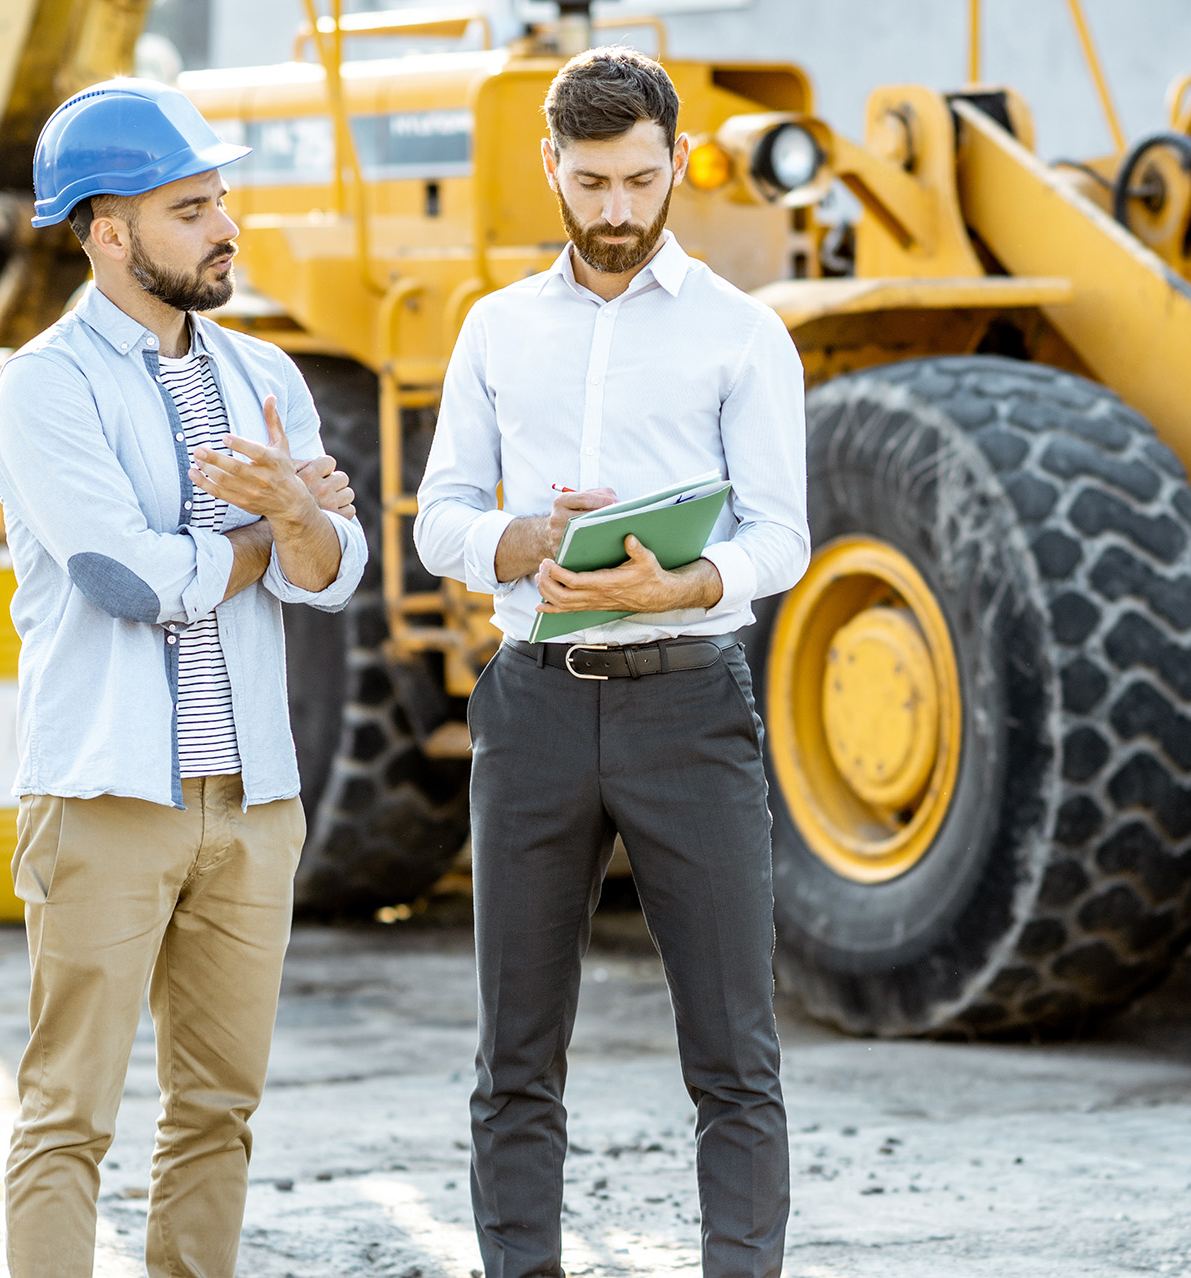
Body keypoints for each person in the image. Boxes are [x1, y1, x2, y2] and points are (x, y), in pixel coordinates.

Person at [414, 46, 810, 1278]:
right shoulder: (493, 330)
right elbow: (438, 522)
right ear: (552, 169)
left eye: (642, 179)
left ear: (679, 162)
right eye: (592, 183)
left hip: (690, 704)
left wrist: (678, 583)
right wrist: (523, 539)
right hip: (529, 707)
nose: (620, 211)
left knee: (735, 1056)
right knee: (514, 1054)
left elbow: (782, 538)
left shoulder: (745, 337)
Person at [0, 79, 367, 1278]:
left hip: (251, 801)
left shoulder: (265, 373)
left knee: (219, 1112)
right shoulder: (48, 384)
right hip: (106, 797)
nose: (226, 227)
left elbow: (336, 573)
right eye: (190, 206)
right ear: (110, 231)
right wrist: (271, 530)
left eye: (222, 200)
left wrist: (293, 525)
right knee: (70, 1117)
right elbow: (123, 577)